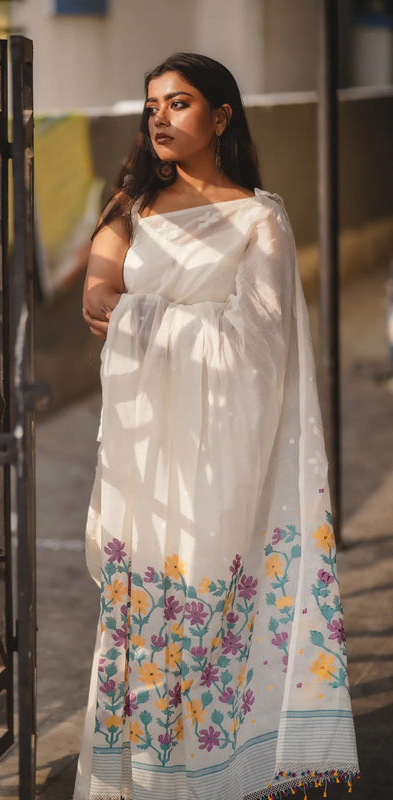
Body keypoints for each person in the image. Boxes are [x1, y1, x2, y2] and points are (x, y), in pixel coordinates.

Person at [76, 52, 358, 800]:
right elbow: (100, 289)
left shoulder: (257, 217)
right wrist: (121, 301)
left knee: (208, 602)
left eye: (179, 103)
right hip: (146, 460)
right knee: (143, 614)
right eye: (151, 107)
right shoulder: (129, 205)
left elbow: (259, 346)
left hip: (218, 458)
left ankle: (215, 775)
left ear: (221, 116)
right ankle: (143, 777)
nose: (159, 118)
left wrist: (142, 318)